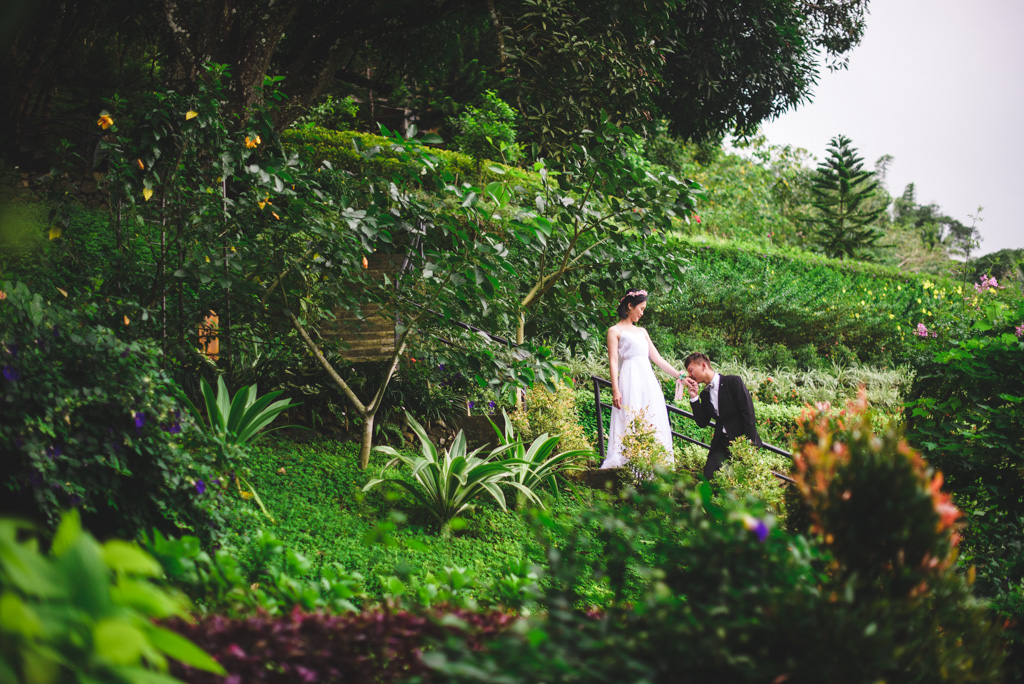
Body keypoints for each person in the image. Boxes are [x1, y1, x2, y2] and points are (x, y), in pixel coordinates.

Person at [600, 289, 682, 469]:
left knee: (651, 415)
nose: (642, 313)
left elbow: (657, 358)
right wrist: (615, 389)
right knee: (630, 415)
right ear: (630, 306)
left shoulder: (643, 332)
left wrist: (679, 375)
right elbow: (613, 361)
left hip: (647, 380)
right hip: (629, 379)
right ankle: (629, 460)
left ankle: (654, 461)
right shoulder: (614, 331)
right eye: (641, 308)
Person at [680, 352, 762, 480]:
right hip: (721, 444)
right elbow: (702, 422)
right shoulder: (704, 395)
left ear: (703, 365)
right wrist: (694, 397)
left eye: (691, 370)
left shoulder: (733, 382)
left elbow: (748, 413)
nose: (690, 376)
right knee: (708, 478)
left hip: (741, 442)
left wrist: (749, 444)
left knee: (740, 483)